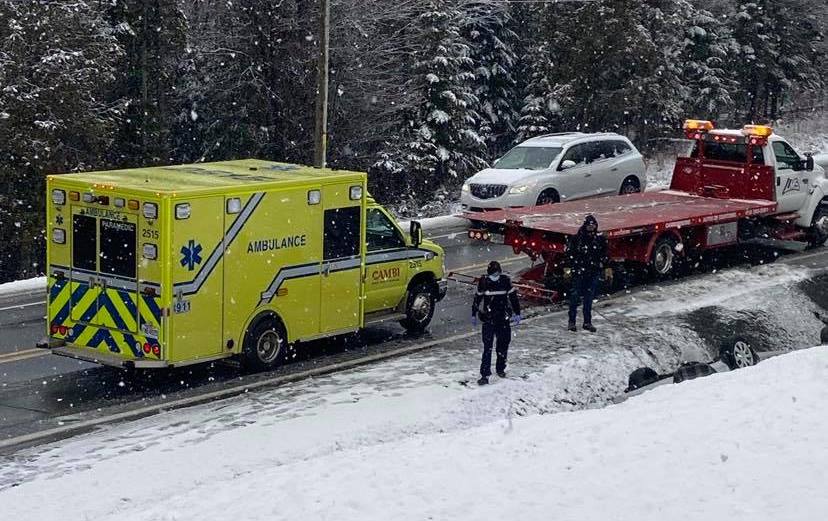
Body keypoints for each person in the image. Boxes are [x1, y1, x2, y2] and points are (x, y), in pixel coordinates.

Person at [472, 261, 521, 385]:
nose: (496, 275)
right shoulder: (484, 282)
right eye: (494, 273)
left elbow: (513, 297)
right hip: (489, 319)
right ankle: (485, 374)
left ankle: (500, 368)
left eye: (497, 273)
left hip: (502, 318)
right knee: (487, 347)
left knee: (503, 345)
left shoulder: (505, 281)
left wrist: (517, 312)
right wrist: (474, 313)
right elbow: (478, 298)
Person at [564, 214, 611, 332]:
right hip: (579, 271)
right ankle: (572, 322)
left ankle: (587, 322)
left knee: (588, 298)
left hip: (593, 272)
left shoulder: (599, 239)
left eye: (593, 226)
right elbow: (570, 255)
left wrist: (605, 266)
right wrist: (570, 268)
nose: (591, 228)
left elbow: (604, 254)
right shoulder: (577, 239)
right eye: (589, 226)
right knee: (574, 297)